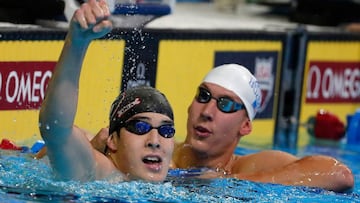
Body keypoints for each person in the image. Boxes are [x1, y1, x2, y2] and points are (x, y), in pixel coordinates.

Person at [89, 63, 354, 192]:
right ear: (190, 106)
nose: (207, 112)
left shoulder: (246, 168)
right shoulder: (152, 156)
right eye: (203, 96)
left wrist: (230, 185)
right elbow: (51, 154)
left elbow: (340, 174)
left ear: (246, 126)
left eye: (226, 105)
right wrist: (93, 150)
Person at [38, 0, 175, 182]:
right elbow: (55, 129)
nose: (155, 140)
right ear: (112, 140)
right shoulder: (97, 174)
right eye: (140, 127)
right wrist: (77, 42)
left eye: (166, 130)